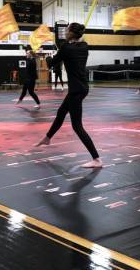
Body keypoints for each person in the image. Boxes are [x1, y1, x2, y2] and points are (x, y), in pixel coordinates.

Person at [35, 23, 102, 169]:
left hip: (76, 90)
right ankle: (47, 138)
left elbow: (51, 64)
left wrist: (47, 57)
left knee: (77, 126)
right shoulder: (84, 46)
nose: (65, 32)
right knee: (61, 112)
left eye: (67, 30)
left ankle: (96, 159)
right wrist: (65, 45)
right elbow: (74, 46)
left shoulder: (66, 48)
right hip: (82, 88)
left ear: (72, 33)